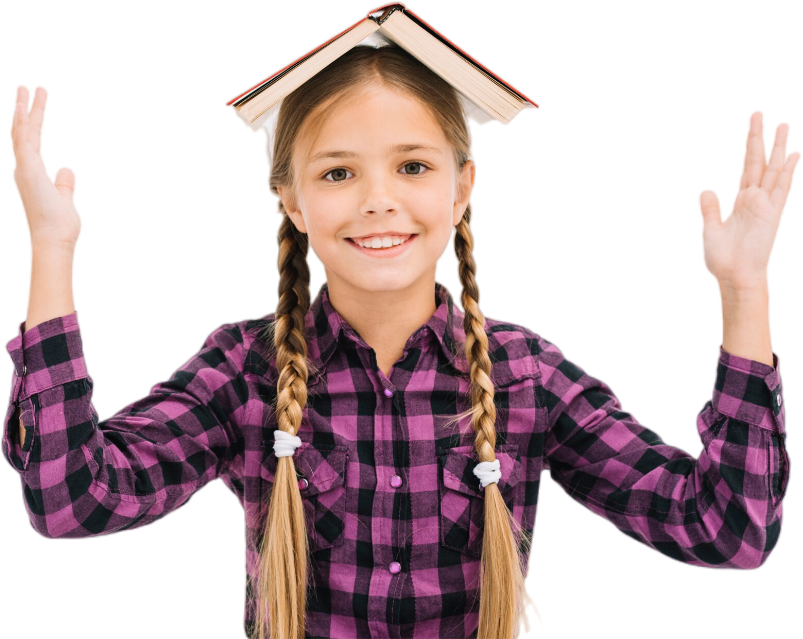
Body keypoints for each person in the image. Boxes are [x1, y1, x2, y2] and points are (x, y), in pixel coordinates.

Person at [7, 44, 793, 639]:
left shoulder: (525, 373)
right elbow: (73, 503)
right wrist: (51, 251)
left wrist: (743, 289)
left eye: (411, 165)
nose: (379, 202)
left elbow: (727, 531)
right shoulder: (241, 368)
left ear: (462, 187)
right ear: (290, 199)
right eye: (338, 173)